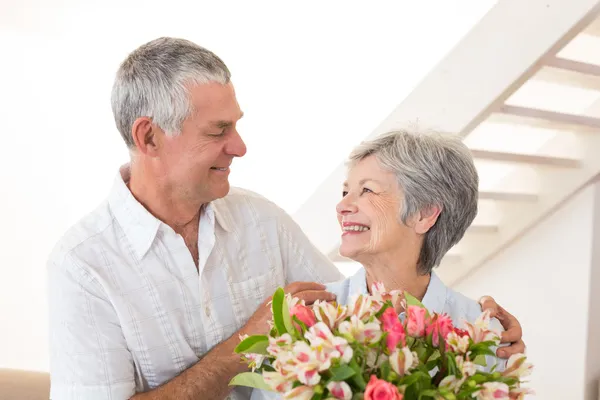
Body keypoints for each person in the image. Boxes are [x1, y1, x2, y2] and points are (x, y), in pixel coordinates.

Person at [46, 37, 524, 400]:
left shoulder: (261, 221)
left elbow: (366, 309)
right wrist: (242, 346)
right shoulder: (83, 265)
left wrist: (486, 335)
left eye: (236, 125)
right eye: (219, 131)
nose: (240, 147)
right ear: (149, 138)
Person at [249, 130, 511, 399]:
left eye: (366, 190)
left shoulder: (486, 335)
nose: (342, 205)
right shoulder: (306, 318)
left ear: (424, 214)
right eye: (345, 191)